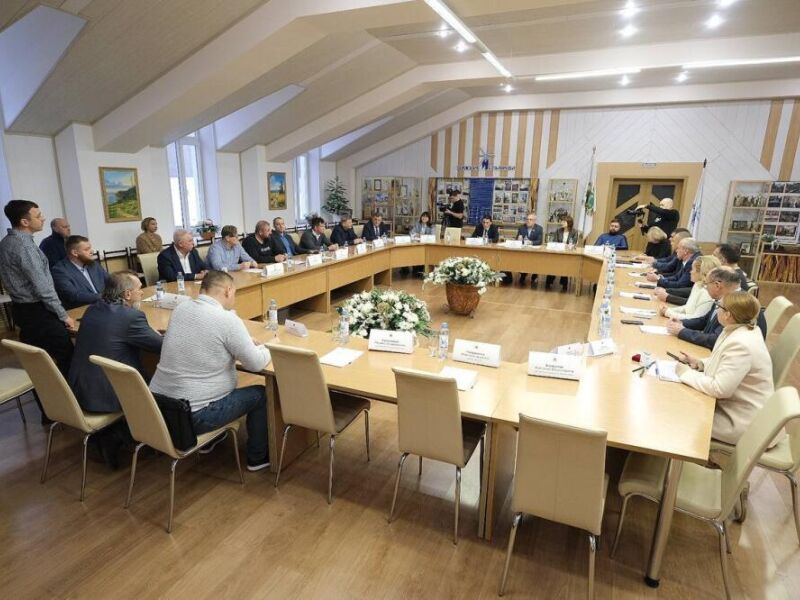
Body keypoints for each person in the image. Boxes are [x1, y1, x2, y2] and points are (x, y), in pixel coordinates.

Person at [149, 270, 271, 471]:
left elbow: (203, 338)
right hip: (192, 417)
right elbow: (256, 363)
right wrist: (268, 348)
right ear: (228, 290)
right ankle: (257, 458)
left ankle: (211, 440)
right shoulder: (227, 319)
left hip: (159, 408)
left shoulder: (181, 308)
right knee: (260, 394)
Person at [68, 271, 163, 468]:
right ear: (127, 294)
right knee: (162, 385)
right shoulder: (131, 317)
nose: (142, 293)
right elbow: (162, 347)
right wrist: (154, 334)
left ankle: (112, 433)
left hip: (79, 389)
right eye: (139, 289)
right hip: (108, 394)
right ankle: (122, 434)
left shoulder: (92, 309)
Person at [676, 292, 774, 445]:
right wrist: (700, 363)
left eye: (718, 307)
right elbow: (725, 361)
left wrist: (686, 374)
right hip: (734, 406)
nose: (716, 310)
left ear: (728, 315)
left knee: (681, 416)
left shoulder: (741, 344)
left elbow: (720, 389)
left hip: (741, 420)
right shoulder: (739, 329)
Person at [0, 200, 75, 383]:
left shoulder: (7, 242)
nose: (43, 218)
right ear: (25, 222)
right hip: (38, 311)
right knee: (67, 356)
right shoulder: (24, 246)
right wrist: (63, 315)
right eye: (38, 215)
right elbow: (43, 287)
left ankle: (48, 397)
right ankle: (71, 398)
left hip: (22, 310)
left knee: (40, 361)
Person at [666, 267, 766, 350]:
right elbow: (704, 321)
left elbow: (715, 340)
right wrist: (681, 322)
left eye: (706, 284)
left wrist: (682, 331)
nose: (705, 287)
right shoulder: (724, 297)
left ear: (717, 285)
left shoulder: (739, 304)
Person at [51, 235, 112, 309]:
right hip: (82, 309)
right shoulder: (59, 270)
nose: (92, 251)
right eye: (87, 249)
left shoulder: (94, 264)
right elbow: (73, 295)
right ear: (74, 253)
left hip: (105, 305)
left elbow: (110, 281)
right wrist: (104, 297)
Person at [659, 255, 720, 320]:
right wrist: (669, 310)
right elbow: (687, 308)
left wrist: (668, 313)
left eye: (693, 269)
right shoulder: (697, 285)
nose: (690, 272)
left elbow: (695, 319)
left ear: (701, 273)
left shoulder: (707, 293)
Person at [545, 216, 580, 292]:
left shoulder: (574, 232)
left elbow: (573, 244)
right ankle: (549, 281)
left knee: (565, 263)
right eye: (562, 221)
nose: (562, 223)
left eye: (564, 222)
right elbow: (554, 241)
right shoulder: (558, 231)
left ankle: (564, 283)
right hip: (558, 252)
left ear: (569, 223)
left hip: (568, 254)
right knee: (553, 263)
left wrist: (566, 246)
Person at [517, 212, 543, 286]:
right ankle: (523, 275)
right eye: (527, 219)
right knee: (522, 259)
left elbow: (539, 241)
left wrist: (531, 242)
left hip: (534, 251)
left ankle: (534, 276)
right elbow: (518, 239)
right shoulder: (521, 227)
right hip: (524, 250)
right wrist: (519, 239)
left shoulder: (539, 228)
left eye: (530, 219)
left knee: (535, 260)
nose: (528, 221)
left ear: (534, 221)